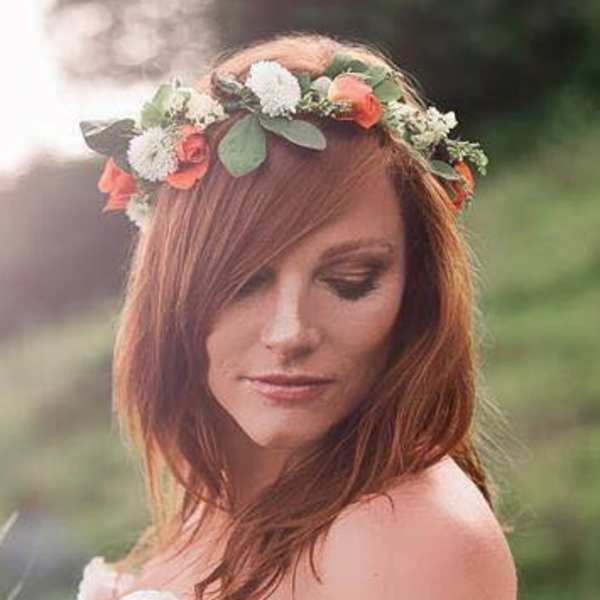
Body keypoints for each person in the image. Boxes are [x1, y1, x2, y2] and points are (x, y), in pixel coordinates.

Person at [76, 32, 518, 600]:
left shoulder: (409, 540)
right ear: (171, 288)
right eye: (241, 282)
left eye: (350, 281)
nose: (290, 333)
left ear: (417, 290)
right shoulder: (221, 505)